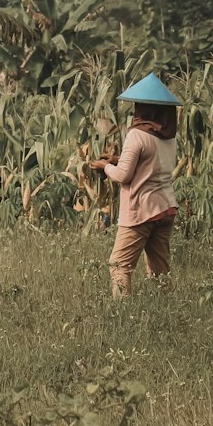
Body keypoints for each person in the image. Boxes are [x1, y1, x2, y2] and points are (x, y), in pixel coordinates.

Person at [91, 72, 179, 298]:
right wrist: (118, 160)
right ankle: (165, 310)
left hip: (142, 210)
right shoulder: (169, 137)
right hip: (166, 207)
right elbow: (151, 165)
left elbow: (123, 176)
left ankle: (121, 314)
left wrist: (105, 167)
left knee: (119, 264)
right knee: (160, 271)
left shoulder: (137, 136)